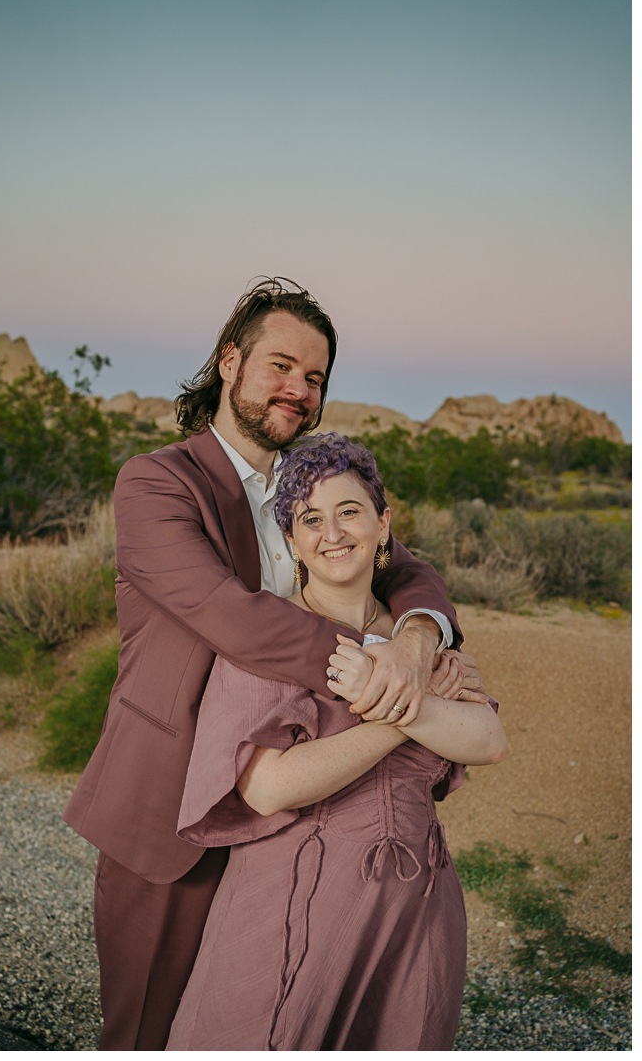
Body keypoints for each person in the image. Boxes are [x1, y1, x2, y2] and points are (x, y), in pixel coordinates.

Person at [62, 278, 480, 1050]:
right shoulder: (156, 483)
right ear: (230, 362)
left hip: (296, 822)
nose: (299, 389)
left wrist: (419, 641)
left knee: (267, 1019)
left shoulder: (308, 488)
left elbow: (407, 569)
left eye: (315, 377)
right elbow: (235, 619)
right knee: (152, 1032)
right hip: (171, 810)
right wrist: (378, 667)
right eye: (281, 366)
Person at [167, 434, 505, 1050]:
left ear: (383, 523)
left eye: (349, 511)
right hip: (298, 904)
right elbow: (267, 786)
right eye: (310, 519)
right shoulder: (264, 639)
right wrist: (403, 711)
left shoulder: (421, 639)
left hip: (415, 908)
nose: (333, 533)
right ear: (291, 541)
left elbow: (487, 739)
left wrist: (403, 673)